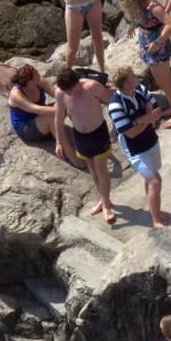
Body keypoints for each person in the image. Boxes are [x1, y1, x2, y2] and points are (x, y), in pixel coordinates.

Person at [54, 67, 117, 225]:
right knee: (92, 169)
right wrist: (59, 142)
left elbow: (113, 104)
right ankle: (102, 200)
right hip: (80, 136)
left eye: (70, 89)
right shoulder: (61, 93)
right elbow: (58, 118)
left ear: (77, 83)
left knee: (101, 168)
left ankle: (107, 205)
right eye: (64, 89)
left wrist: (116, 128)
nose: (68, 92)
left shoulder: (92, 87)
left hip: (98, 133)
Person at [108, 67, 168, 227]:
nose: (137, 76)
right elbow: (131, 134)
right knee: (155, 180)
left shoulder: (140, 89)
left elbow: (157, 112)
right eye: (133, 76)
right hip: (134, 148)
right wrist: (147, 118)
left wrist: (140, 120)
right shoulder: (115, 105)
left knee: (150, 178)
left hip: (150, 140)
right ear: (127, 83)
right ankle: (156, 220)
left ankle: (154, 209)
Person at [118, 0, 171, 128]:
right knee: (166, 82)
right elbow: (140, 17)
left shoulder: (153, 7)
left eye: (130, 6)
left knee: (165, 84)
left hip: (157, 49)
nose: (129, 9)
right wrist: (133, 25)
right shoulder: (140, 6)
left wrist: (157, 42)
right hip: (150, 47)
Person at [7, 64, 58, 143]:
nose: (39, 75)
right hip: (26, 127)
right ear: (29, 81)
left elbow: (56, 93)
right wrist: (58, 110)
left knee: (63, 103)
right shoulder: (16, 94)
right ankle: (61, 144)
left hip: (40, 118)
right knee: (52, 115)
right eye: (37, 75)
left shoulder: (39, 81)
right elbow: (36, 109)